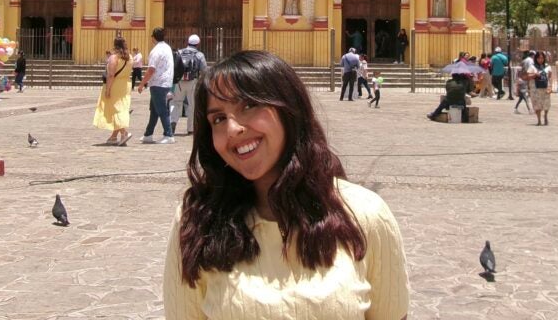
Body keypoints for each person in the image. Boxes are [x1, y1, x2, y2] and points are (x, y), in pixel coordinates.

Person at [164, 50, 409, 319]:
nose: (233, 129)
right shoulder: (198, 223)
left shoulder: (365, 216)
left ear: (288, 108)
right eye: (218, 119)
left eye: (249, 105)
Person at [138, 27, 181, 144]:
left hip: (158, 84)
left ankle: (169, 134)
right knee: (154, 110)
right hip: (166, 82)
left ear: (153, 37)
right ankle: (148, 134)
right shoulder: (167, 48)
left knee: (162, 110)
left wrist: (142, 84)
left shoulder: (155, 51)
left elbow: (151, 69)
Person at [94, 36, 133, 146]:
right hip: (125, 85)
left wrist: (108, 89)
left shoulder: (114, 57)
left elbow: (111, 75)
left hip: (115, 85)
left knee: (115, 109)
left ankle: (124, 133)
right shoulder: (129, 57)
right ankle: (113, 136)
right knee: (120, 108)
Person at [171, 34, 208, 136]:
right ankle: (190, 128)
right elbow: (204, 70)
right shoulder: (199, 55)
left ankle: (173, 122)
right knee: (192, 105)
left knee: (176, 102)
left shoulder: (179, 52)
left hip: (179, 81)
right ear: (198, 44)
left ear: (187, 42)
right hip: (193, 82)